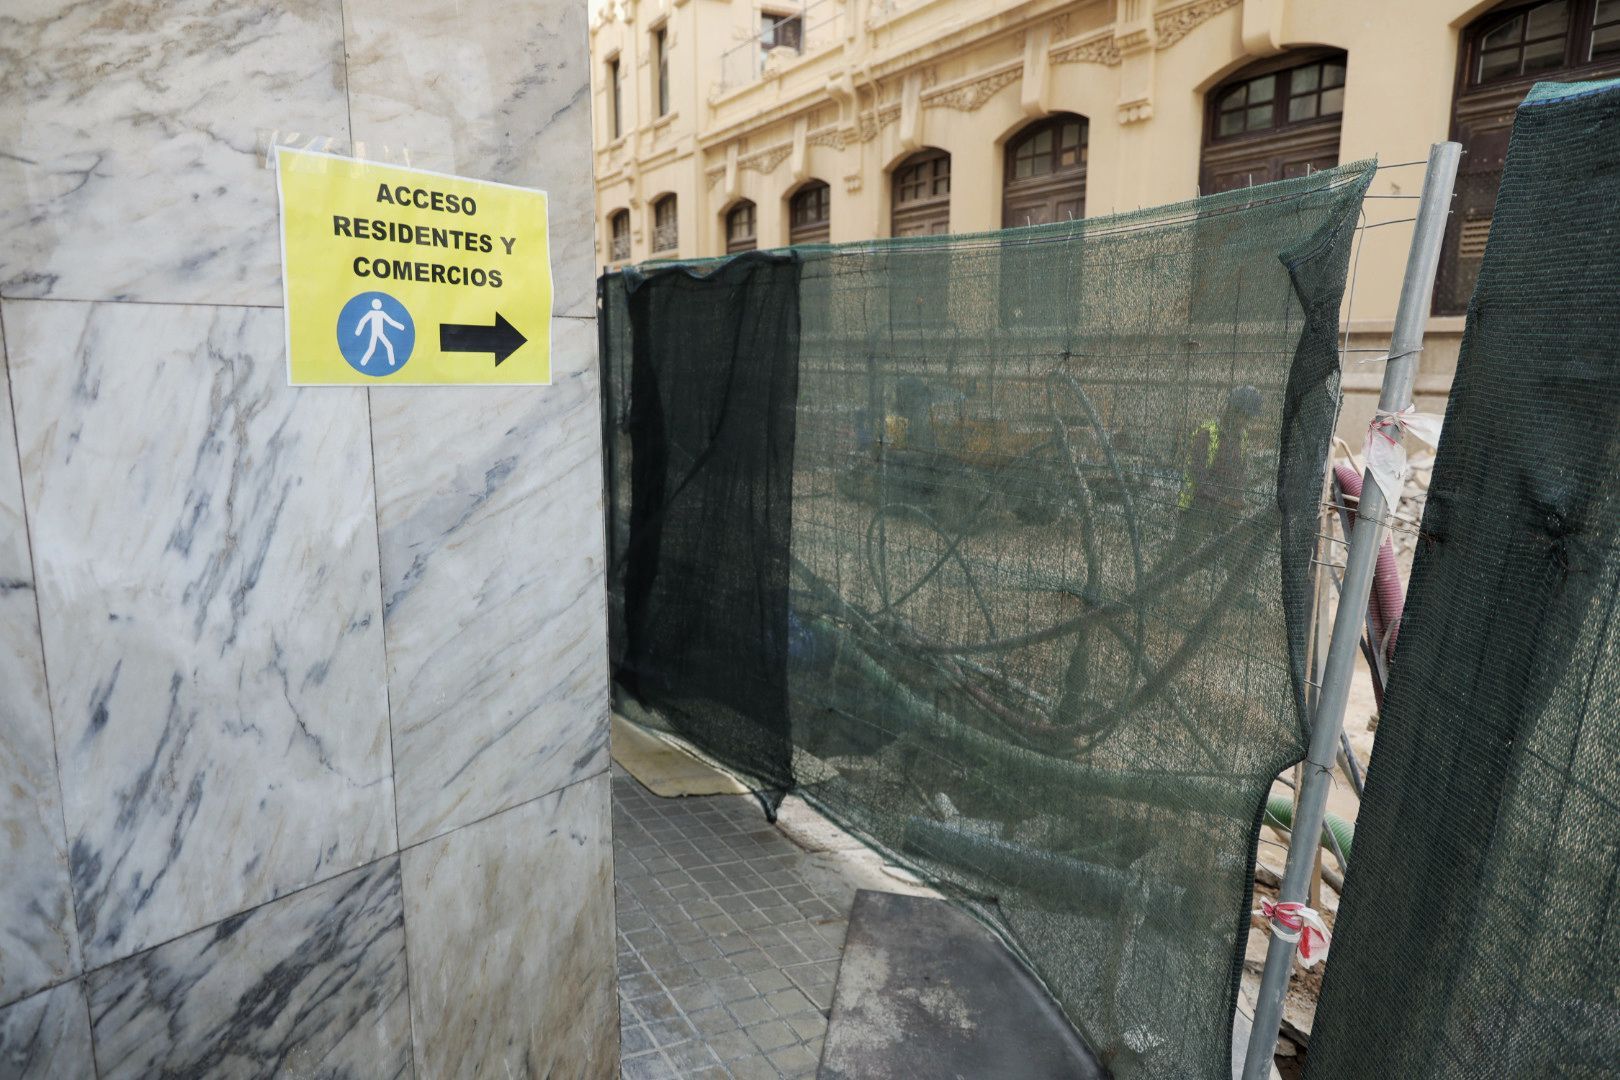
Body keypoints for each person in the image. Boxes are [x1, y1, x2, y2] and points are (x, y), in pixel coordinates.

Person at [1177, 384, 1262, 519]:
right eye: (1242, 415)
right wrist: (1223, 499)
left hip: (1225, 505)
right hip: (1198, 502)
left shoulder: (1242, 437)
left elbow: (1240, 470)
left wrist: (1238, 496)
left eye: (1248, 418)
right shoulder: (1208, 434)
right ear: (1231, 410)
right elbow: (1197, 473)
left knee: (1234, 536)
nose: (1244, 422)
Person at [356, 298, 405, 367]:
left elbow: (391, 322)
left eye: (379, 303)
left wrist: (401, 327)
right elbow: (363, 321)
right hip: (375, 333)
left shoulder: (382, 313)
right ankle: (363, 362)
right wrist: (358, 331)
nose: (378, 305)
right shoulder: (371, 313)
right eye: (377, 304)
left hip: (380, 333)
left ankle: (392, 363)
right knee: (373, 348)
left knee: (388, 346)